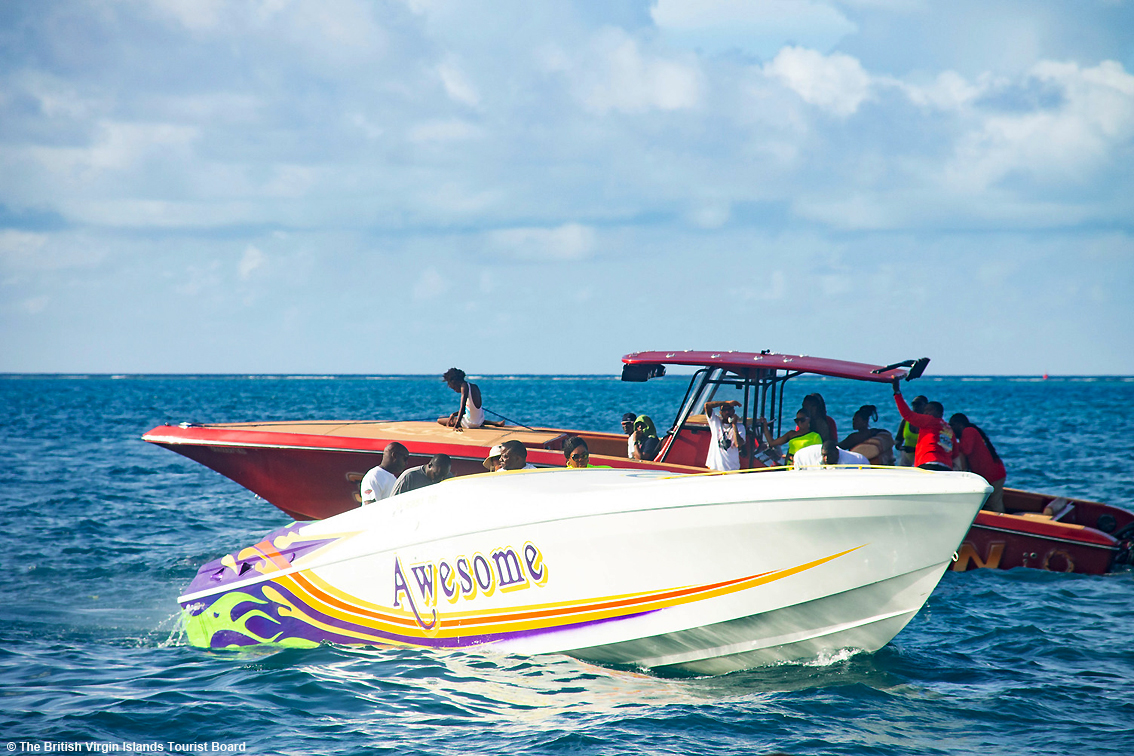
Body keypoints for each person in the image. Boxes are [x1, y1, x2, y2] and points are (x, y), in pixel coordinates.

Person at [949, 413, 1007, 512]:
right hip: (992, 474)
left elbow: (966, 450)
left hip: (993, 475)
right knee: (989, 504)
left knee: (994, 506)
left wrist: (953, 444)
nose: (951, 429)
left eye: (952, 425)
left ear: (959, 424)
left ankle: (1005, 524)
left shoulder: (968, 431)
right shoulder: (970, 432)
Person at [892, 380, 954, 470]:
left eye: (928, 410)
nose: (926, 412)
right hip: (946, 466)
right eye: (914, 404)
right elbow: (953, 452)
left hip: (929, 462)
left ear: (939, 413)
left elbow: (907, 414)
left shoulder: (930, 420)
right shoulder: (948, 429)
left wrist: (897, 392)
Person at [437, 368, 503, 431]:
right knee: (467, 417)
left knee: (440, 420)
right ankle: (495, 423)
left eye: (454, 388)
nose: (455, 390)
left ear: (455, 382)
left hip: (470, 423)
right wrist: (454, 414)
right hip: (479, 421)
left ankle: (460, 422)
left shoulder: (464, 387)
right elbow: (471, 409)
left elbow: (462, 408)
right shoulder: (474, 386)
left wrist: (457, 425)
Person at [704, 399, 746, 471]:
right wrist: (726, 402)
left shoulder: (740, 427)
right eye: (724, 410)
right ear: (720, 413)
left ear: (733, 412)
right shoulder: (715, 422)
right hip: (715, 468)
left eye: (729, 409)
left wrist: (734, 425)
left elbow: (738, 444)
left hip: (732, 469)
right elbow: (707, 405)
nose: (727, 412)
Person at [894, 395, 928, 466]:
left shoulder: (928, 423)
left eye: (918, 404)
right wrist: (899, 446)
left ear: (926, 406)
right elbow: (899, 438)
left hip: (922, 456)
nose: (915, 406)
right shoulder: (906, 421)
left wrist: (914, 449)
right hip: (907, 456)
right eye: (913, 404)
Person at [794, 440, 870, 468]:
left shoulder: (857, 460)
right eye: (824, 455)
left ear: (837, 453)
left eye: (829, 455)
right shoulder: (805, 455)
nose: (826, 459)